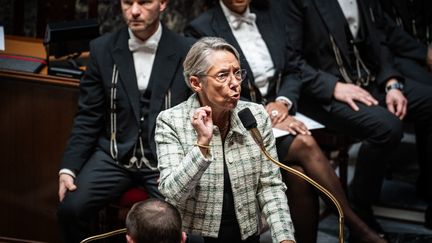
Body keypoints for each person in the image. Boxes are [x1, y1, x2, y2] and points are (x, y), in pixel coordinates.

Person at [184, 1, 386, 242]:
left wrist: (283, 102)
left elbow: (292, 68)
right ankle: (357, 226)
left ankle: (343, 228)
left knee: (299, 175)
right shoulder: (199, 28)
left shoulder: (273, 15)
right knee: (305, 143)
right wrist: (265, 114)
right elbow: (213, 90)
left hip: (283, 111)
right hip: (235, 123)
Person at [281, 0, 432, 238]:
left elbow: (379, 40)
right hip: (324, 91)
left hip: (371, 79)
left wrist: (392, 81)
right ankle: (360, 205)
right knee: (388, 127)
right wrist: (333, 87)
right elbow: (291, 61)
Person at [56, 0, 194, 242]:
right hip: (113, 155)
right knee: (70, 209)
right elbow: (88, 116)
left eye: (144, 2)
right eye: (128, 2)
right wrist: (68, 168)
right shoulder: (102, 49)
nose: (135, 11)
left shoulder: (187, 50)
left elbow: (196, 115)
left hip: (164, 160)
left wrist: (180, 164)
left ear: (162, 3)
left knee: (181, 224)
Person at [155, 37, 295, 243]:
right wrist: (202, 144)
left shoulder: (255, 115)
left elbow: (270, 185)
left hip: (247, 232)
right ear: (196, 83)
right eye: (222, 75)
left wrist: (285, 237)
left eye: (237, 73)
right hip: (196, 236)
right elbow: (173, 192)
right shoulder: (171, 121)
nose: (235, 83)